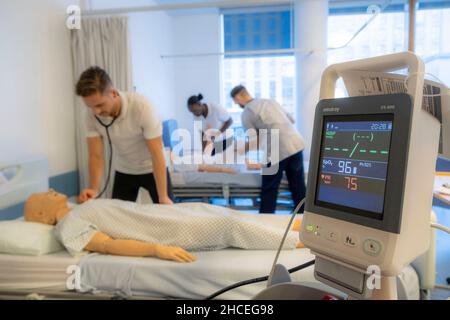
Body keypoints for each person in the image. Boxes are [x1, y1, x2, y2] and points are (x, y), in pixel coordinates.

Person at [23, 190, 304, 263]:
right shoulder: (68, 226)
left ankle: (287, 226)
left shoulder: (78, 208)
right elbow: (107, 245)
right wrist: (157, 249)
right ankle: (296, 240)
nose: (50, 190)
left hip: (159, 213)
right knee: (224, 225)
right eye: (44, 196)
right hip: (157, 229)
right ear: (42, 215)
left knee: (210, 209)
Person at [76, 66, 174, 205]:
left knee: (166, 213)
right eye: (90, 107)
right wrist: (94, 188)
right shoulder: (90, 115)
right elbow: (95, 155)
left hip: (151, 167)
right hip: (125, 169)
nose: (96, 112)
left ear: (114, 93)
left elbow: (156, 153)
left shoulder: (142, 107)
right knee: (118, 217)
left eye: (100, 105)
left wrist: (163, 196)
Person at [230, 85, 307, 214]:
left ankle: (265, 221)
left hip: (277, 149)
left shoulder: (247, 112)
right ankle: (302, 218)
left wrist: (240, 152)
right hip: (295, 143)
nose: (236, 104)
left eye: (235, 101)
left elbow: (254, 139)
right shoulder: (270, 101)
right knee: (298, 186)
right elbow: (292, 120)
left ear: (238, 97)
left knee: (269, 188)